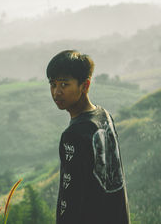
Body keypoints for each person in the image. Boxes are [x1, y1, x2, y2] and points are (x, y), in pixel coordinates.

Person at [46, 50, 130, 224]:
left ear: (85, 85)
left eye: (64, 84)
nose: (57, 92)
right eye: (53, 84)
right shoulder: (103, 116)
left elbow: (70, 198)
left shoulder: (74, 134)